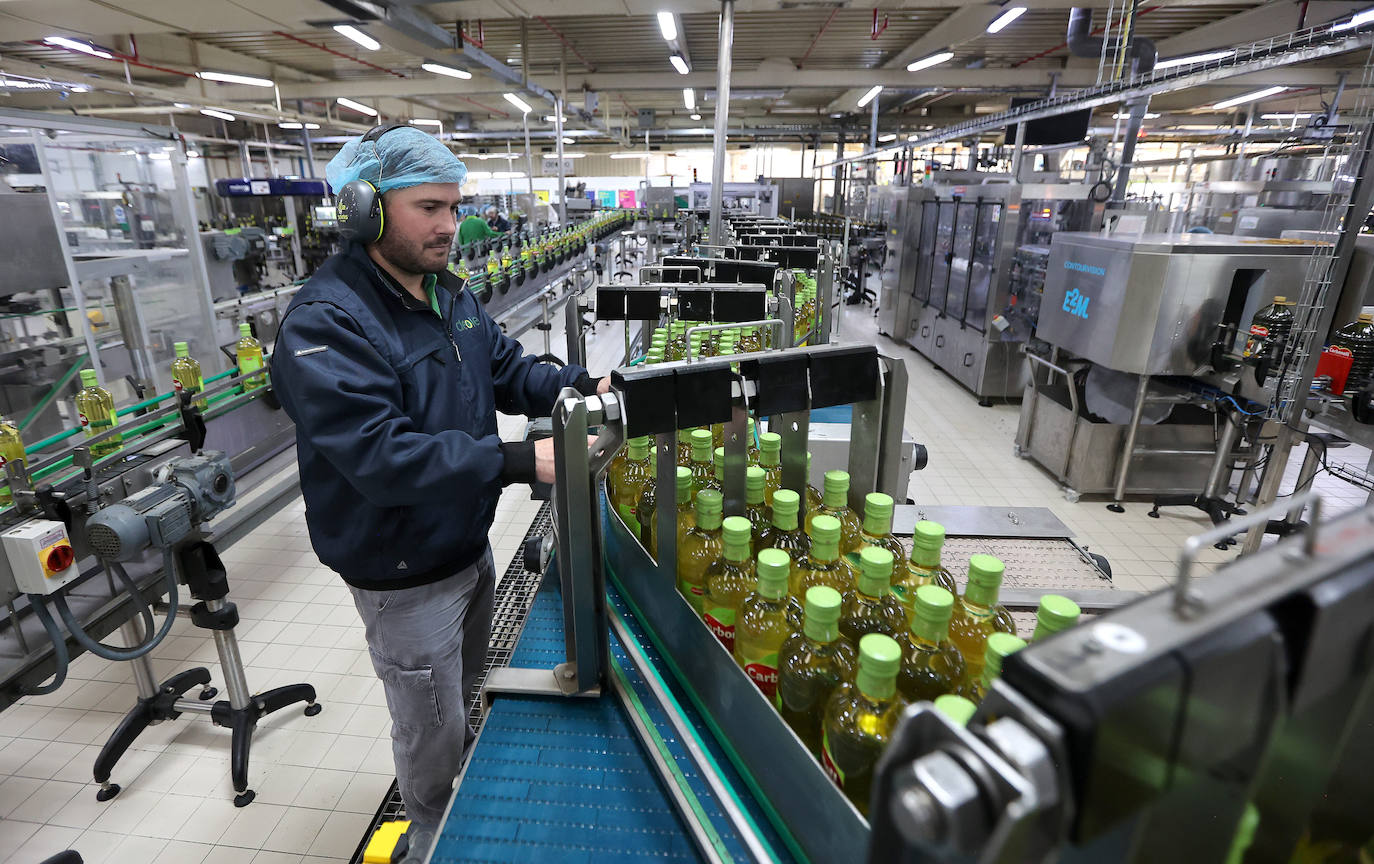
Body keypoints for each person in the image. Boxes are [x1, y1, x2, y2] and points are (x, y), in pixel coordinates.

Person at [270, 125, 608, 862]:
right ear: (365, 209)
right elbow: (381, 457)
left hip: (464, 543)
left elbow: (508, 368)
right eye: (429, 207)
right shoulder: (325, 321)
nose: (450, 226)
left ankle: (456, 797)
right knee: (427, 727)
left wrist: (584, 388)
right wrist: (522, 461)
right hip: (401, 571)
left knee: (459, 700)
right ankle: (431, 837)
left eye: (455, 207)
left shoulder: (446, 291)